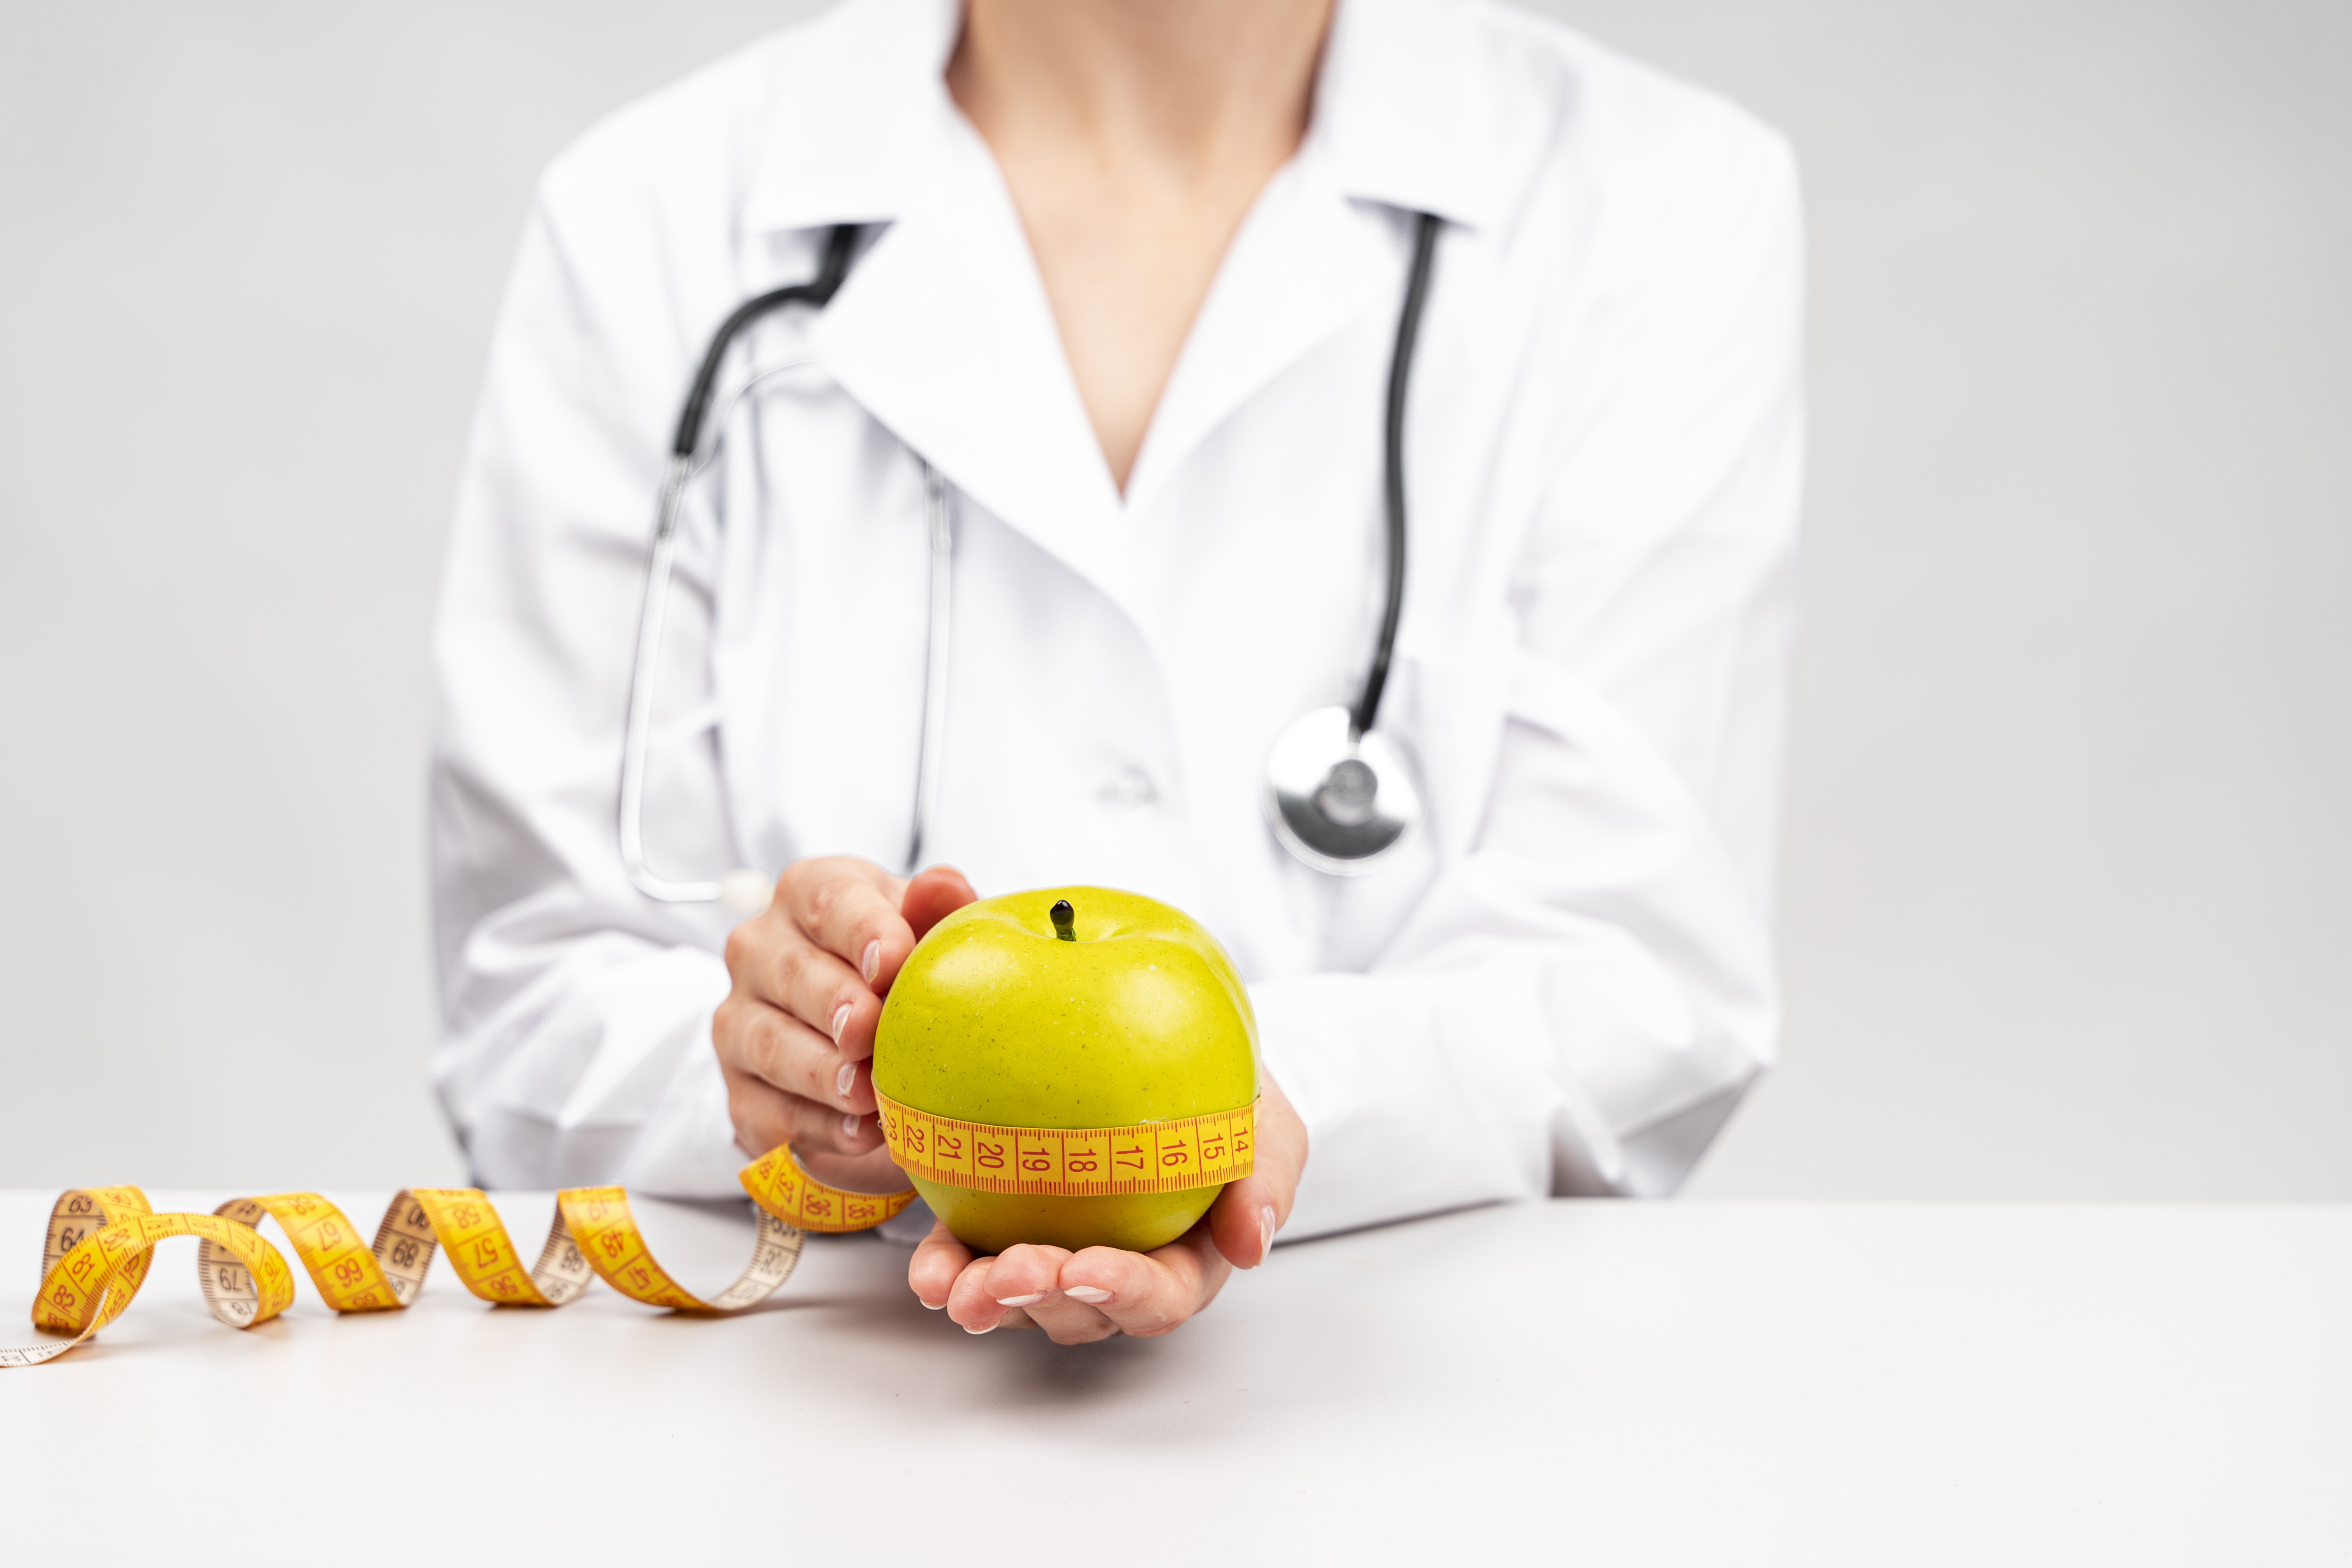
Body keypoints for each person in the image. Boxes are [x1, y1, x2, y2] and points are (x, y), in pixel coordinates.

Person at [430, 0, 1803, 1343]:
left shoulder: (1653, 198)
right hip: (810, 1423)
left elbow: (1632, 987)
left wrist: (1229, 1114)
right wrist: (784, 1084)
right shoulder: (652, 214)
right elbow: (529, 1000)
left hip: (1398, 1412)